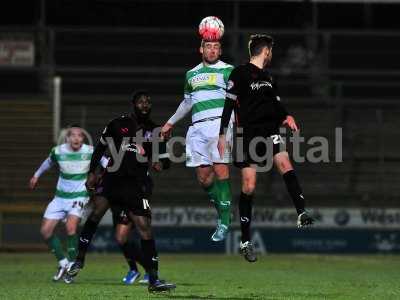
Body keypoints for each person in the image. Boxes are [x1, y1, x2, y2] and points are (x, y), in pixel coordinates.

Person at [218, 34, 315, 263]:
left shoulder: (270, 77)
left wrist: (287, 115)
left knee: (284, 163)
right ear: (265, 51)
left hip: (269, 131)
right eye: (271, 50)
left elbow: (277, 104)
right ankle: (245, 241)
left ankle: (301, 212)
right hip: (246, 135)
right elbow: (228, 105)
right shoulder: (239, 73)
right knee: (249, 186)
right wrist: (222, 134)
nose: (272, 54)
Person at [67, 92, 175, 292]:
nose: (145, 104)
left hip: (137, 185)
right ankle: (79, 259)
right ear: (133, 104)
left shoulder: (155, 130)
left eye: (148, 102)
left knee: (144, 227)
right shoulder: (118, 123)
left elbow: (165, 162)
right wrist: (93, 172)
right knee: (97, 212)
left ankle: (153, 279)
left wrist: (161, 161)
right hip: (112, 179)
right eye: (141, 101)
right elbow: (99, 149)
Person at [161, 39, 234, 242]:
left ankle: (225, 221)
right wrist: (170, 123)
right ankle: (223, 209)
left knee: (220, 170)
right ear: (201, 49)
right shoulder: (191, 74)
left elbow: (237, 98)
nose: (212, 50)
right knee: (203, 178)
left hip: (220, 125)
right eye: (208, 46)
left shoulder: (229, 70)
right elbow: (187, 102)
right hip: (197, 128)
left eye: (216, 47)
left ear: (220, 50)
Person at [29, 125, 100, 283]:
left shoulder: (90, 151)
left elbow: (105, 161)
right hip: (60, 197)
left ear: (83, 138)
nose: (76, 138)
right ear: (67, 138)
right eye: (72, 135)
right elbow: (47, 163)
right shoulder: (58, 151)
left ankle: (72, 269)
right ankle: (63, 263)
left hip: (79, 196)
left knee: (71, 227)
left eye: (79, 135)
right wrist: (36, 176)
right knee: (45, 231)